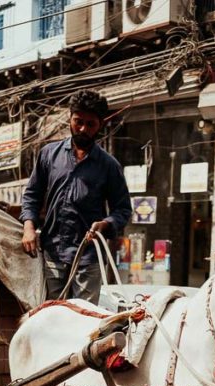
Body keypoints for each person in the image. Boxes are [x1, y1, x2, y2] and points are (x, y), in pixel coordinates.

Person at [19, 89, 132, 304]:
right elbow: (32, 195)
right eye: (78, 121)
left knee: (83, 320)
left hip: (88, 259)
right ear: (69, 118)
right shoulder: (48, 154)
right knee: (52, 317)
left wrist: (106, 223)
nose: (82, 129)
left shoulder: (109, 166)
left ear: (100, 125)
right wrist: (28, 228)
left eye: (90, 124)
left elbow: (123, 210)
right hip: (52, 253)